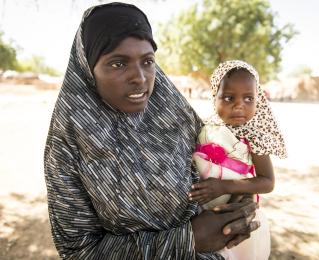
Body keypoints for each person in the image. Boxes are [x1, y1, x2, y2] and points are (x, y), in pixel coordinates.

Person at [44, 3, 260, 259]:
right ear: (88, 69)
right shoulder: (68, 144)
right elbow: (78, 250)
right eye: (117, 64)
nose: (141, 77)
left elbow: (219, 167)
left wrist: (240, 201)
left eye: (147, 61)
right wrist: (187, 240)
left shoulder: (174, 112)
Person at [189, 60, 287, 259]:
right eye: (228, 97)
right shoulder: (205, 128)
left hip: (235, 214)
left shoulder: (254, 138)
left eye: (249, 98)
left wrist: (224, 187)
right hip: (202, 216)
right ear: (214, 97)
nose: (239, 105)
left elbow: (267, 182)